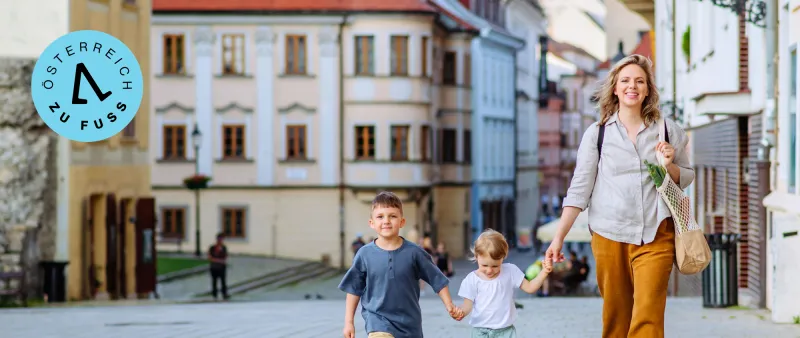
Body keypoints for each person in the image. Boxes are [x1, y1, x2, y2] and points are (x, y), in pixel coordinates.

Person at [545, 54, 694, 338]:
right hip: (609, 234)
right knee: (617, 317)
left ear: (648, 89)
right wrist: (558, 237)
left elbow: (685, 177)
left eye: (639, 81)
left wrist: (670, 165)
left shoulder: (667, 129)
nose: (632, 86)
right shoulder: (597, 134)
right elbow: (579, 189)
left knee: (648, 315)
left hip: (656, 233)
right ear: (615, 88)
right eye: (625, 81)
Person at [339, 191, 463, 338]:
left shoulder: (415, 252)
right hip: (377, 320)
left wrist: (449, 305)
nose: (386, 221)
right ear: (371, 223)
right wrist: (349, 322)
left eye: (392, 216)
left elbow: (437, 279)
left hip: (410, 325)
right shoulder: (364, 254)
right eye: (380, 217)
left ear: (402, 222)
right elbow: (353, 289)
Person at [453, 229, 552, 337]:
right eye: (484, 265)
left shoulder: (510, 271)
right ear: (477, 257)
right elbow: (467, 306)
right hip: (480, 332)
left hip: (505, 332)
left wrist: (544, 272)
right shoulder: (472, 279)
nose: (489, 270)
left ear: (503, 257)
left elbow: (530, 287)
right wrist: (460, 312)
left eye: (495, 266)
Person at [208, 232, 229, 300]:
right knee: (214, 281)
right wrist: (217, 260)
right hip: (214, 267)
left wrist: (222, 260)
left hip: (222, 267)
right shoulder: (212, 247)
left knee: (223, 280)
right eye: (219, 239)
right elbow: (210, 257)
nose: (220, 241)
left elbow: (225, 256)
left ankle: (224, 293)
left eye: (222, 239)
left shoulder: (224, 248)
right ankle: (214, 294)